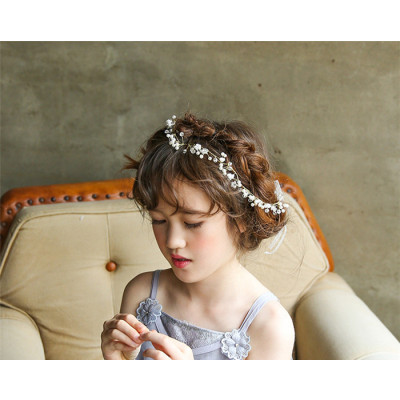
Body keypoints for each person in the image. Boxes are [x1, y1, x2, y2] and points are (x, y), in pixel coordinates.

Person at [101, 113, 295, 360]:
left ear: (241, 219)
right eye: (159, 220)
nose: (172, 241)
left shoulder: (269, 326)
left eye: (192, 223)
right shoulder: (141, 292)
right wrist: (117, 361)